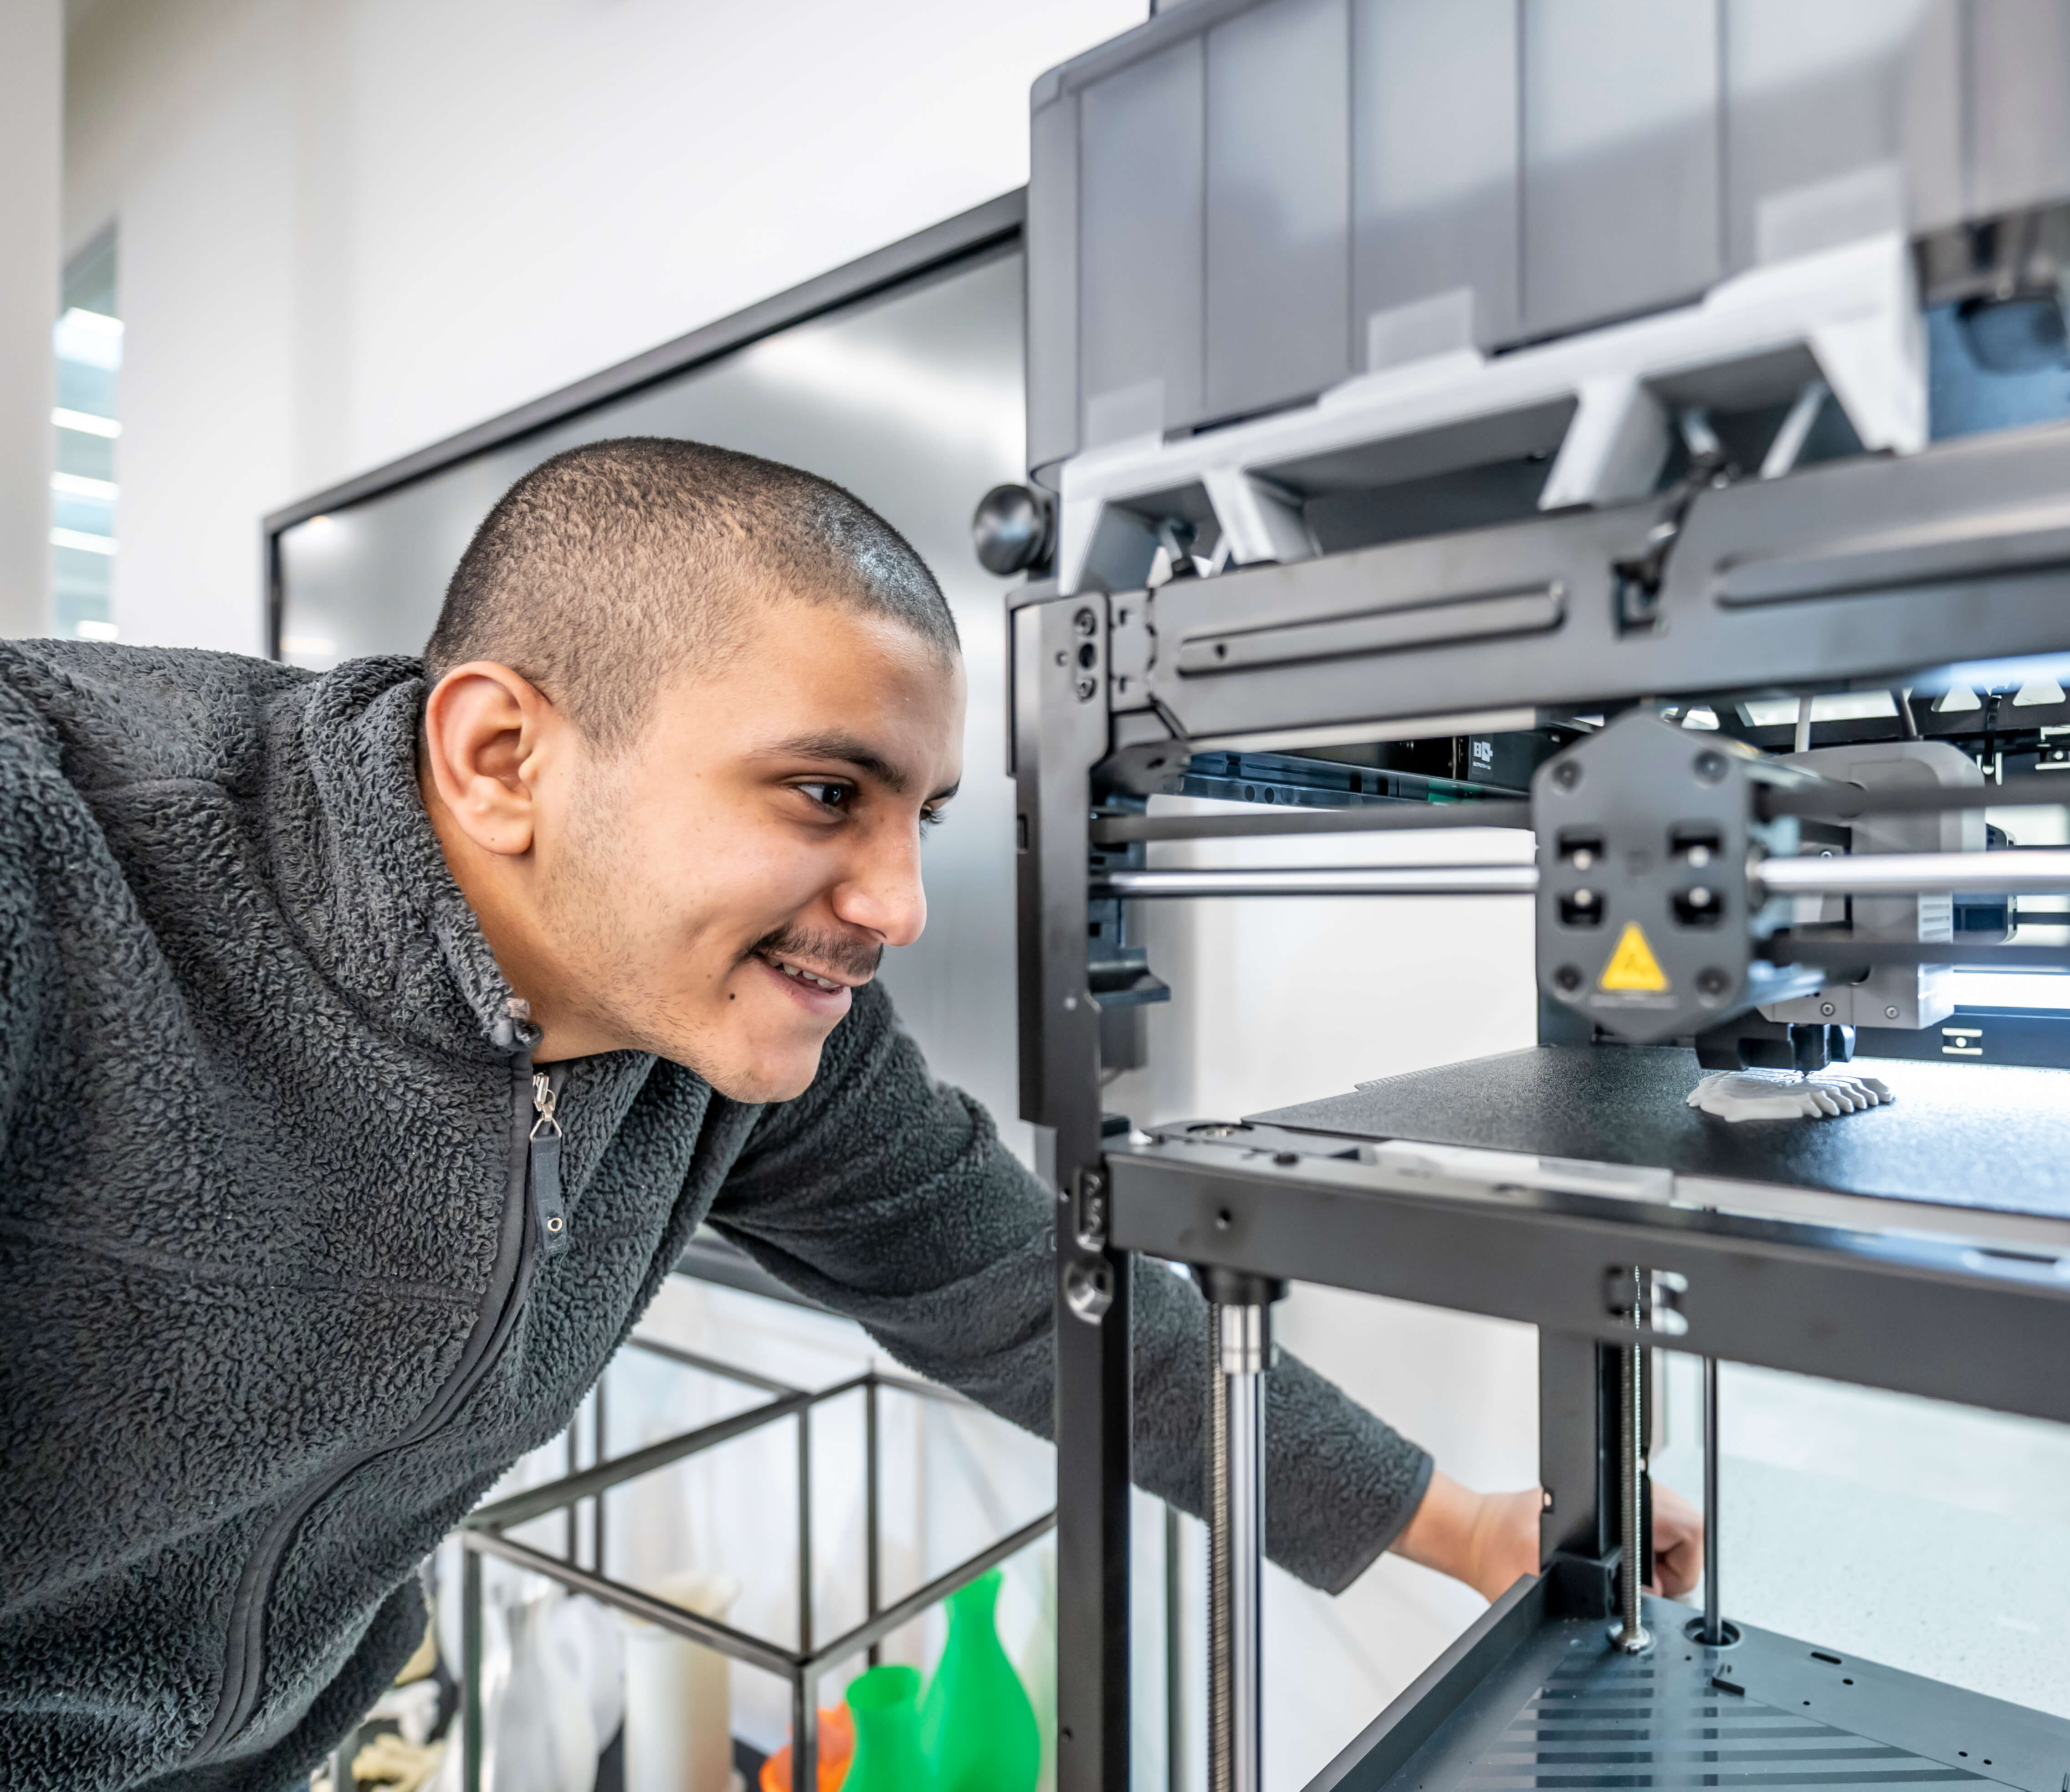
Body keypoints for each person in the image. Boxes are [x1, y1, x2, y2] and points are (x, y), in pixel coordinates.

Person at [0, 438, 1700, 1792]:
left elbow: (1026, 1295)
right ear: (502, 757)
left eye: (920, 817)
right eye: (826, 793)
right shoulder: (50, 858)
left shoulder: (719, 1028)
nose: (899, 906)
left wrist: (1461, 1526)